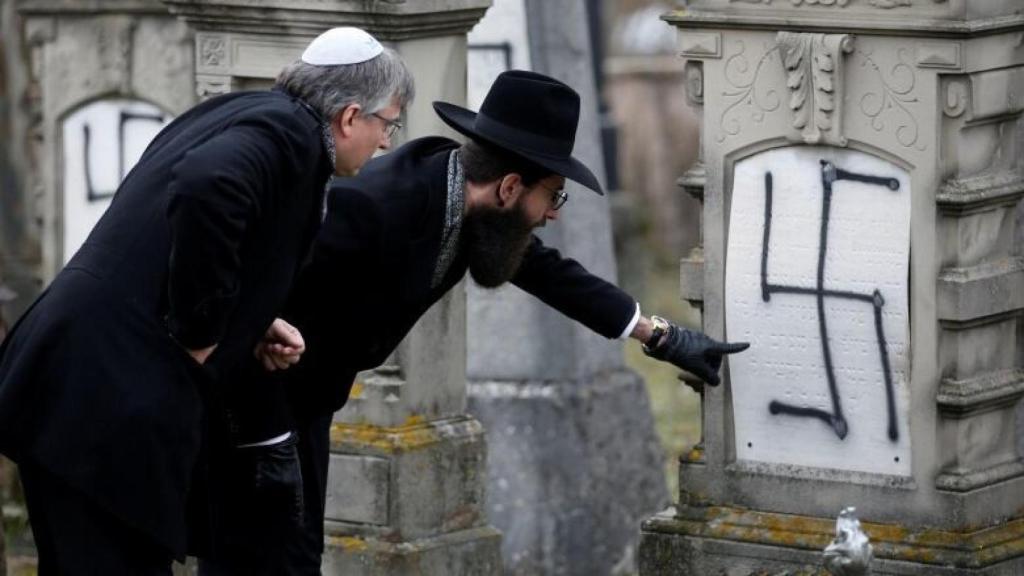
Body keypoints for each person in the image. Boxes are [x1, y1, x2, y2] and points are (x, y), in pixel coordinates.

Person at [202, 69, 748, 575]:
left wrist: (660, 336)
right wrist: (264, 433)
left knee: (294, 556)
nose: (554, 211)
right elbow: (255, 291)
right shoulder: (374, 209)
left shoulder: (464, 195)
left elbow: (546, 270)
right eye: (552, 193)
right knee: (255, 554)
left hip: (309, 402)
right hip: (252, 403)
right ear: (510, 187)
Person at [0, 27, 413, 575]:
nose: (387, 141)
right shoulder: (288, 134)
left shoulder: (248, 113)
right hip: (105, 398)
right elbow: (206, 183)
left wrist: (253, 320)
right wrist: (205, 327)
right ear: (350, 116)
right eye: (388, 123)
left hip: (74, 380)